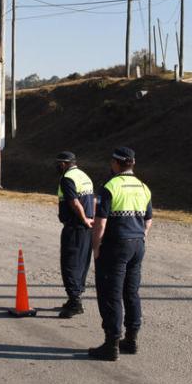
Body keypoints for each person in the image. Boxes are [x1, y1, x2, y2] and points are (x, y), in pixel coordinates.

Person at [88, 147, 152, 361]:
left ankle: (111, 343)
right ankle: (131, 339)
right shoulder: (143, 187)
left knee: (111, 294)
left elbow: (101, 222)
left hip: (116, 245)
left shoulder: (111, 186)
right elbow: (148, 220)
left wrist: (96, 246)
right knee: (131, 292)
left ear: (115, 163)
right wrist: (140, 237)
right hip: (137, 244)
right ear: (132, 164)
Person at [54, 151, 95, 319]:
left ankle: (75, 302)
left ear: (64, 164)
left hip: (75, 226)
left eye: (58, 163)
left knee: (70, 263)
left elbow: (74, 202)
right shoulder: (83, 175)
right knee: (82, 262)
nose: (56, 166)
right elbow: (92, 199)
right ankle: (74, 298)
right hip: (87, 227)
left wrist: (84, 218)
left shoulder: (67, 178)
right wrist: (90, 219)